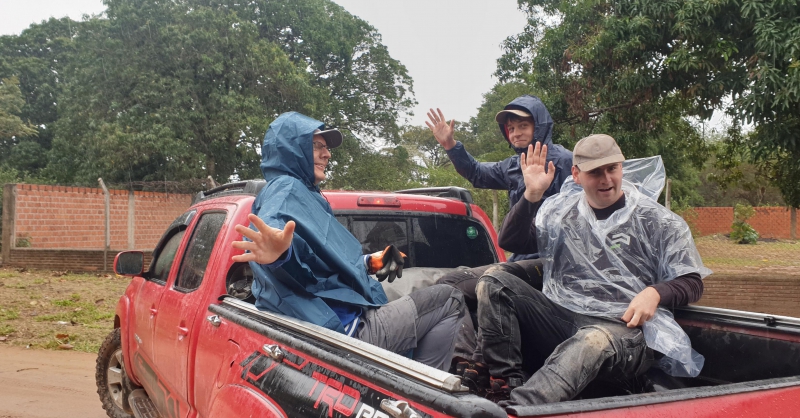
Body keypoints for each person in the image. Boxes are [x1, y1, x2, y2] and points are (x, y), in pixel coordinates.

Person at [475, 135, 711, 406]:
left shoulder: (658, 221)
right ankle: (505, 385)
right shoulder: (561, 214)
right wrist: (532, 196)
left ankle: (520, 408)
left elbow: (693, 281)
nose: (606, 179)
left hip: (626, 332)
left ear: (622, 167)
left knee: (592, 340)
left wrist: (655, 294)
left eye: (612, 169)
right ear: (576, 175)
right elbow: (512, 241)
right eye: (595, 172)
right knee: (493, 281)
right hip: (565, 318)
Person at [231, 111, 465, 371]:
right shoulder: (286, 188)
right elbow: (277, 234)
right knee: (450, 298)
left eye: (326, 147)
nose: (327, 154)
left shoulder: (307, 194)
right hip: (345, 335)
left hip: (337, 328)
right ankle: (424, 393)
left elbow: (322, 262)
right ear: (291, 149)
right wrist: (280, 253)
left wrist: (372, 262)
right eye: (317, 146)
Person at [425, 95, 572, 369]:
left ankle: (485, 364)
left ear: (539, 126)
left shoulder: (564, 162)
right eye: (511, 128)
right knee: (451, 283)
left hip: (555, 262)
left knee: (488, 281)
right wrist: (450, 145)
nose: (516, 132)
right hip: (519, 259)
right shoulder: (514, 165)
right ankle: (463, 360)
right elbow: (478, 173)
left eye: (522, 125)